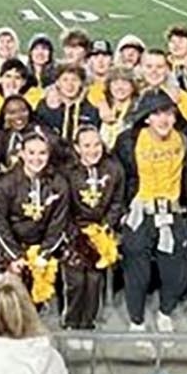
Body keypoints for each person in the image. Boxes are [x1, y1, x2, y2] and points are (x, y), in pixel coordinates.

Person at [116, 90, 187, 333]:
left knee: (177, 272)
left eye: (169, 113)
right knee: (136, 269)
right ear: (146, 118)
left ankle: (165, 311)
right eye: (157, 113)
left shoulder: (184, 140)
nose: (164, 119)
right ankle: (136, 321)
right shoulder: (128, 141)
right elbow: (120, 176)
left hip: (172, 211)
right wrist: (120, 210)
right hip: (140, 211)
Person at [62, 125, 125, 331]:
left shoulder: (114, 168)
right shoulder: (67, 172)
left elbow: (117, 201)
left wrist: (105, 228)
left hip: (101, 231)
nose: (93, 150)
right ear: (77, 148)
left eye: (97, 144)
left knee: (94, 280)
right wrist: (76, 234)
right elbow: (64, 207)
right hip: (74, 232)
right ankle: (71, 322)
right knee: (76, 281)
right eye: (87, 145)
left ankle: (88, 323)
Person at [0, 133, 69, 278]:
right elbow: (0, 222)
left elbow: (58, 222)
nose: (36, 159)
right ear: (22, 154)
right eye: (31, 153)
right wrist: (15, 255)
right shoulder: (5, 183)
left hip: (45, 249)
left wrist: (44, 254)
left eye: (42, 153)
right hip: (12, 248)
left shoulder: (59, 184)